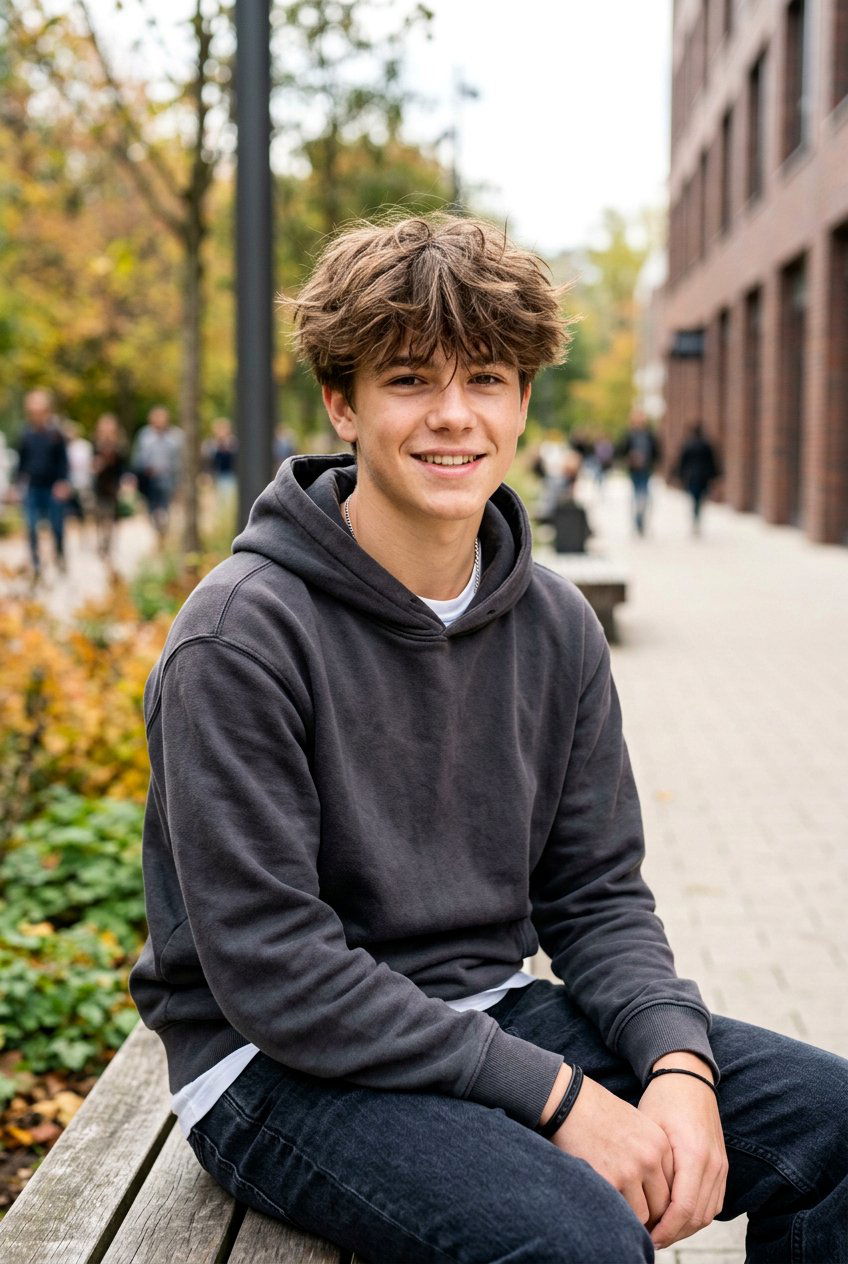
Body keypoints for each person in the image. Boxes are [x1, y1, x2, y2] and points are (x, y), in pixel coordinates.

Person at [129, 215, 848, 1264]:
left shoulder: (553, 624)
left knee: (830, 1123)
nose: (453, 416)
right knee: (580, 1242)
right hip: (270, 1062)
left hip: (491, 1013)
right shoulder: (240, 636)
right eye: (410, 379)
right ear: (343, 402)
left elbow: (595, 895)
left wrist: (676, 1066)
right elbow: (276, 969)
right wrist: (563, 1100)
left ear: (521, 403)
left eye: (487, 380)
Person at [15, 388, 71, 579]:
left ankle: (60, 556)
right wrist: (16, 484)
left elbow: (64, 461)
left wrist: (63, 482)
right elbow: (21, 462)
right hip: (33, 486)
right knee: (31, 526)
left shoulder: (56, 433)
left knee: (56, 525)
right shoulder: (26, 434)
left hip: (53, 487)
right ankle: (36, 564)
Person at [131, 404, 183, 545]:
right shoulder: (144, 436)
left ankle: (163, 536)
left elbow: (180, 461)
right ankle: (158, 534)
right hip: (149, 480)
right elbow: (137, 458)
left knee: (165, 510)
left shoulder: (176, 436)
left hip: (167, 479)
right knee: (151, 510)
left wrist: (179, 483)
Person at [91, 413, 128, 562]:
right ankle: (102, 541)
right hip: (99, 486)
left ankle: (109, 543)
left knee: (111, 516)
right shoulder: (95, 445)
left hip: (113, 486)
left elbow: (122, 466)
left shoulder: (118, 446)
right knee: (100, 516)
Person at [618, 411, 662, 536]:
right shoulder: (629, 435)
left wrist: (654, 463)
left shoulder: (649, 434)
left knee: (645, 495)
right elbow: (621, 450)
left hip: (646, 469)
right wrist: (629, 457)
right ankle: (637, 521)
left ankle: (641, 519)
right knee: (636, 495)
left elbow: (657, 450)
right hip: (634, 469)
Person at [675, 422, 720, 535]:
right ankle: (697, 516)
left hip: (692, 477)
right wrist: (715, 476)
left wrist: (679, 475)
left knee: (694, 498)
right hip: (703, 477)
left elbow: (681, 462)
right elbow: (713, 462)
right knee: (700, 498)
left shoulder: (688, 444)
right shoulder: (706, 445)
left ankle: (695, 517)